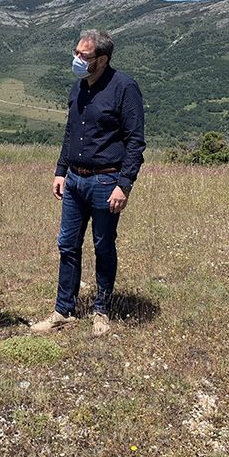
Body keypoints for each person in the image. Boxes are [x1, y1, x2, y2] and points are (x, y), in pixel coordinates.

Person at [32, 29, 146, 336]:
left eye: (85, 56)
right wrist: (60, 170)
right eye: (76, 52)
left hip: (107, 180)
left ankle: (101, 310)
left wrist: (125, 184)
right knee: (67, 245)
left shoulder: (124, 87)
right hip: (74, 179)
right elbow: (71, 132)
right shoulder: (78, 87)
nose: (77, 59)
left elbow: (135, 141)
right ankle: (63, 310)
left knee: (103, 246)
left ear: (103, 59)